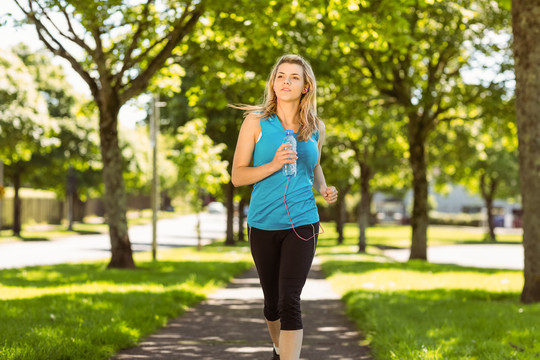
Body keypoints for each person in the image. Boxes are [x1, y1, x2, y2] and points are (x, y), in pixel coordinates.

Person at [231, 54, 338, 360]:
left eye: (294, 77)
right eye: (280, 76)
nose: (286, 81)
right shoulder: (255, 122)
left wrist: (324, 188)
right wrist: (274, 164)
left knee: (290, 300)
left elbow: (313, 166)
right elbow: (238, 176)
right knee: (273, 304)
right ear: (273, 83)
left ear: (306, 87)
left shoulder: (315, 126)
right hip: (263, 223)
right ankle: (279, 349)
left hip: (303, 222)